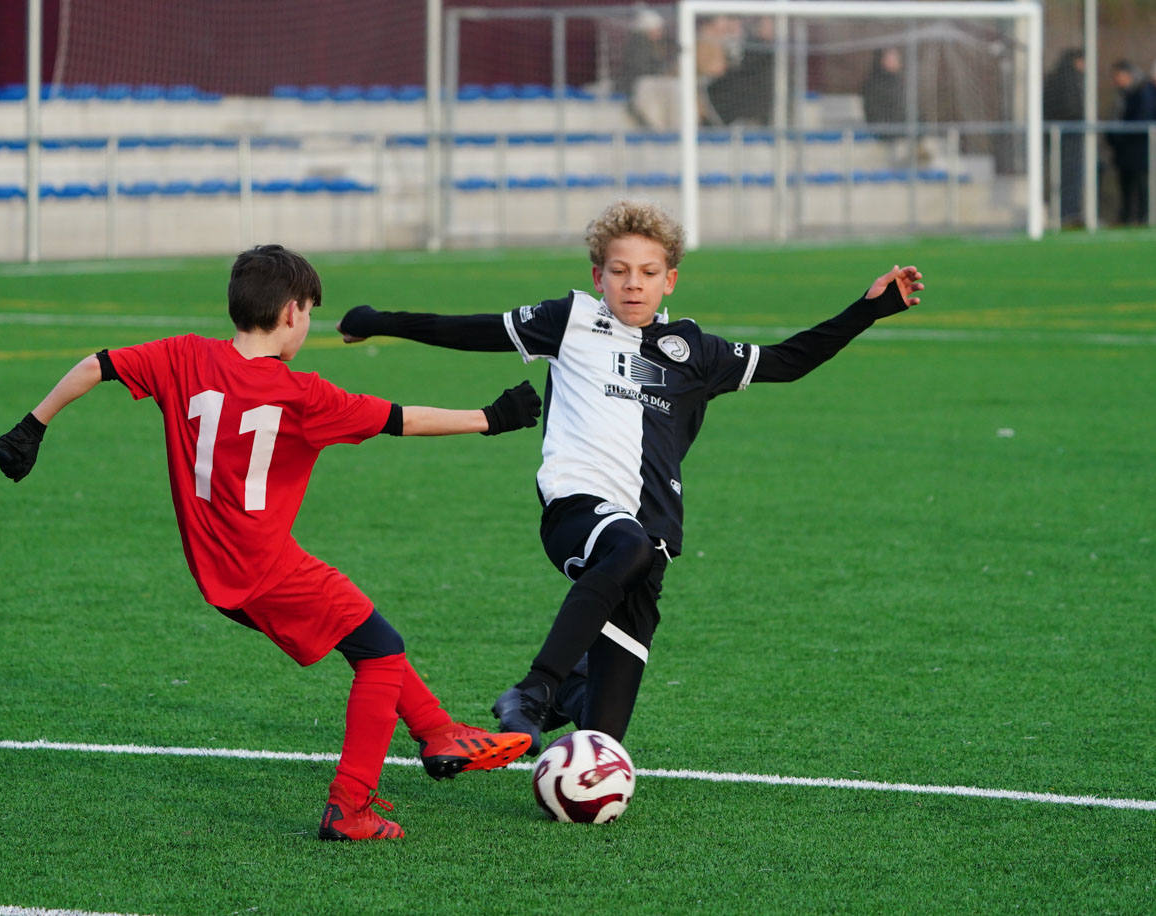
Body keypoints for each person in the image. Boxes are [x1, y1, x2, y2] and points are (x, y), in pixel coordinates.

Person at [0, 244, 541, 840]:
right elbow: (401, 419)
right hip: (264, 568)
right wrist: (491, 418)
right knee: (380, 651)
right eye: (309, 311)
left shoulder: (181, 357)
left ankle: (437, 731)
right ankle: (350, 805)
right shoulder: (304, 396)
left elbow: (95, 365)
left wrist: (31, 427)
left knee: (363, 634)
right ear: (291, 314)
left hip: (218, 571)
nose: (308, 323)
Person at [337, 200, 924, 755]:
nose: (633, 283)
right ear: (599, 276)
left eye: (648, 272)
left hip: (654, 544)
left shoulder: (695, 350)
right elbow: (469, 329)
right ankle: (536, 688)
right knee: (626, 544)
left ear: (670, 279)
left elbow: (789, 361)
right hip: (578, 508)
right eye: (619, 271)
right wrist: (378, 320)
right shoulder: (570, 321)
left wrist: (868, 308)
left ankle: (569, 694)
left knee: (601, 747)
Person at [1106, 60, 1156, 226]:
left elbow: (1142, 117)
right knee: (1126, 185)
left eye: (1119, 75)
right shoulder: (1124, 93)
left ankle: (1143, 217)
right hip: (1125, 149)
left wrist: (1121, 137)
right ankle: (1126, 217)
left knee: (1141, 184)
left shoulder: (1143, 92)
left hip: (1139, 148)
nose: (1116, 79)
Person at [1043, 49, 1085, 228]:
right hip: (1068, 136)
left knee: (1061, 175)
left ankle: (1064, 212)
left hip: (1056, 136)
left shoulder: (1055, 78)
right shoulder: (1069, 80)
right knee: (1069, 175)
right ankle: (1067, 214)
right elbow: (1070, 108)